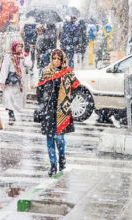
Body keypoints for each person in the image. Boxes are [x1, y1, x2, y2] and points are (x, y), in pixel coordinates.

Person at [36, 49, 80, 177]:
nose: (56, 61)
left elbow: (76, 88)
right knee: (50, 138)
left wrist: (67, 98)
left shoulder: (68, 73)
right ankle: (53, 165)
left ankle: (62, 159)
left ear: (62, 60)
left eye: (58, 59)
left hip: (62, 110)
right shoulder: (45, 72)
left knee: (59, 138)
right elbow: (39, 91)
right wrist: (43, 104)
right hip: (48, 110)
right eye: (54, 58)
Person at [0, 41, 32, 122]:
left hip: (19, 81)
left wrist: (24, 59)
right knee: (9, 97)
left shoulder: (24, 55)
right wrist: (2, 81)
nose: (20, 48)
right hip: (10, 80)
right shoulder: (9, 56)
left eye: (21, 46)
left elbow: (29, 65)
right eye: (18, 46)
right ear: (14, 47)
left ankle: (16, 111)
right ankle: (11, 114)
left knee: (17, 99)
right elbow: (4, 69)